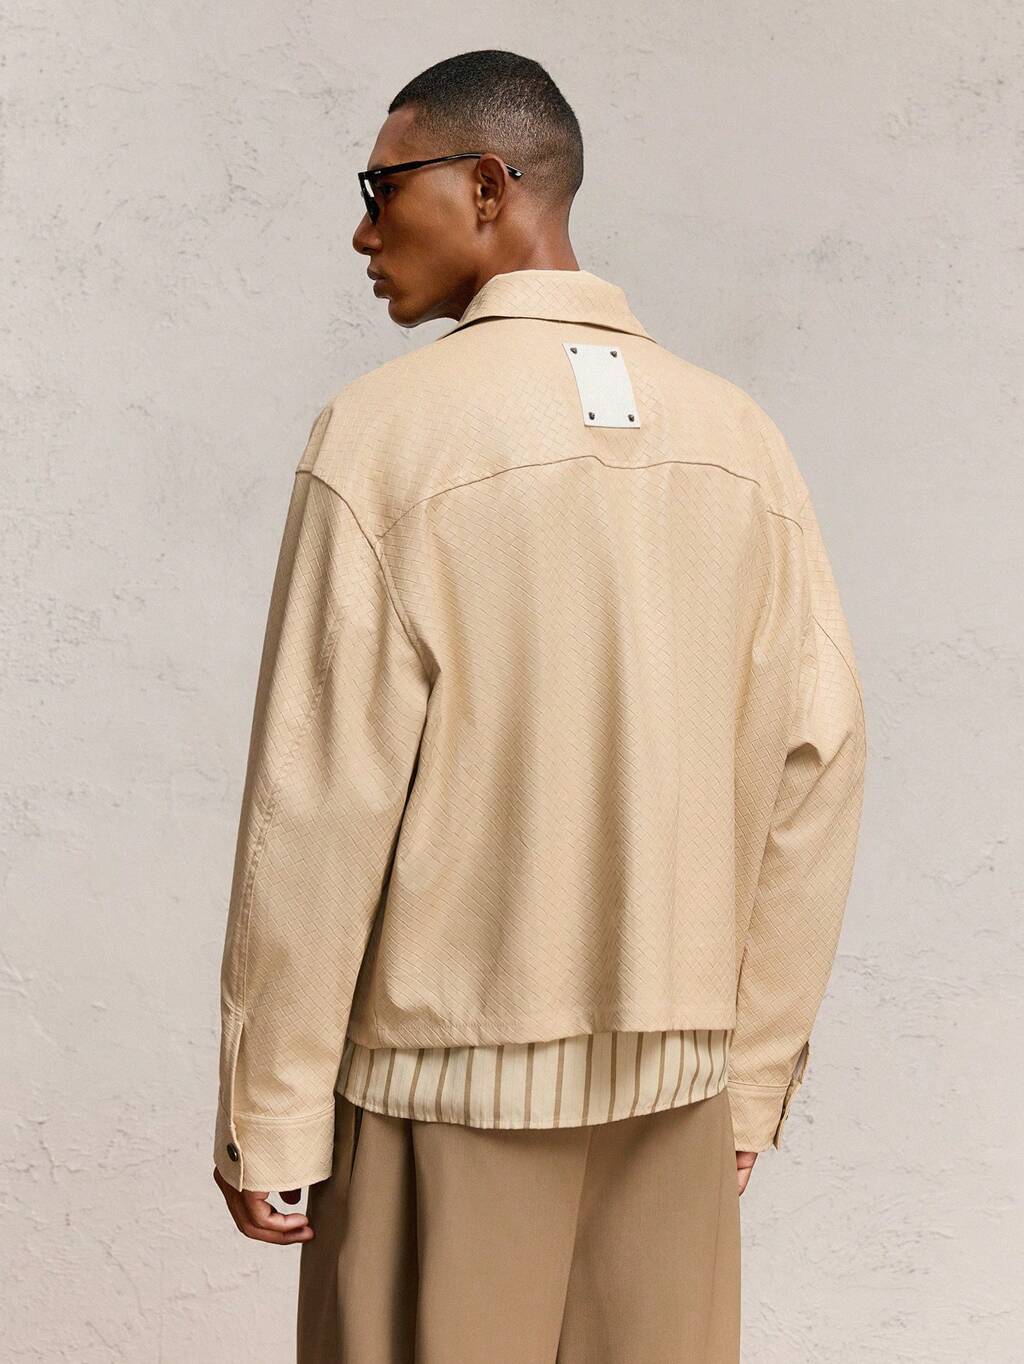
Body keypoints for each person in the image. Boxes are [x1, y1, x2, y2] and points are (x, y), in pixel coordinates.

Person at [211, 48, 867, 1364]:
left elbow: (321, 804)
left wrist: (270, 1114)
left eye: (382, 187)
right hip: (678, 1102)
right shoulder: (740, 439)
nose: (363, 230)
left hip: (436, 1102)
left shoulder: (386, 436)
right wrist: (748, 1081)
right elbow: (819, 769)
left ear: (487, 184)